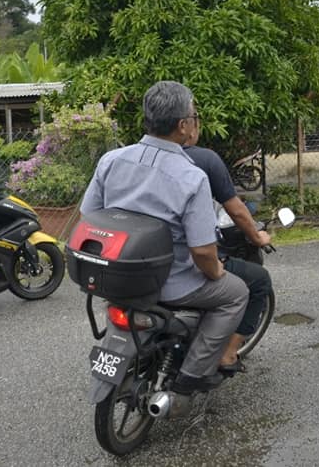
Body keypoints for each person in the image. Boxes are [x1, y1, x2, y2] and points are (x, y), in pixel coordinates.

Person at [80, 81, 248, 395]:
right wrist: (217, 273)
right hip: (172, 285)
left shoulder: (112, 160)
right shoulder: (192, 177)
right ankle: (191, 378)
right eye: (195, 117)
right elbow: (202, 252)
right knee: (236, 293)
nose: (196, 123)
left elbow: (89, 217)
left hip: (116, 276)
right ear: (183, 126)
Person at [184, 132, 273, 376]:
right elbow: (237, 211)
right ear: (186, 125)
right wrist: (257, 237)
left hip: (141, 266)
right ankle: (227, 353)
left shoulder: (126, 160)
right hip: (186, 268)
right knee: (254, 282)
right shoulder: (205, 160)